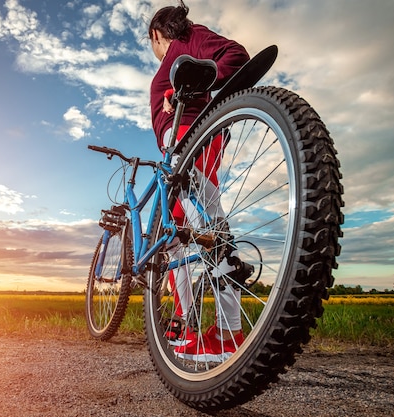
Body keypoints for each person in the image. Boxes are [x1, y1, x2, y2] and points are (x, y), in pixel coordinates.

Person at [148, 1, 253, 361]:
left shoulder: (187, 38)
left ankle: (228, 332)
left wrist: (185, 89)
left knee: (208, 225)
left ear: (156, 34)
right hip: (176, 149)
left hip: (190, 143)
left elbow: (234, 55)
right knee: (174, 235)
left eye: (153, 44)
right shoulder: (174, 57)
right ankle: (187, 325)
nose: (156, 51)